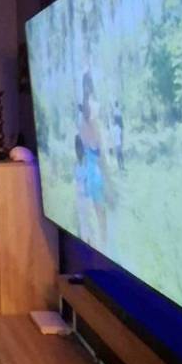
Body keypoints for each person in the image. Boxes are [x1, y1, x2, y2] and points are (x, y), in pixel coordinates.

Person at [77, 74, 108, 245]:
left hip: (89, 168)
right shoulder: (91, 119)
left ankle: (99, 243)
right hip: (95, 170)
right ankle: (103, 243)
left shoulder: (83, 119)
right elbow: (99, 148)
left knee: (93, 214)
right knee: (99, 213)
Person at [112, 100, 125, 171]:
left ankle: (120, 166)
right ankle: (121, 165)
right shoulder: (118, 111)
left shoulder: (115, 111)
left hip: (117, 142)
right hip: (118, 142)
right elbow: (120, 119)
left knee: (118, 154)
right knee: (120, 154)